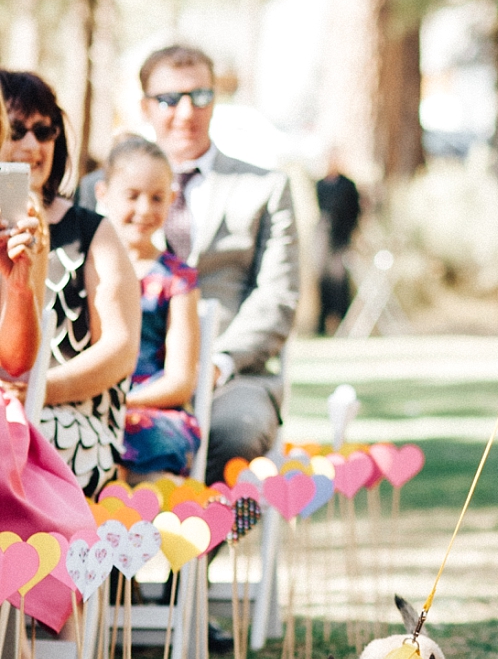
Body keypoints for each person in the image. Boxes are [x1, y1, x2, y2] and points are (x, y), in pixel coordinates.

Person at [138, 45, 299, 483]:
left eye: (201, 96)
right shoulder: (104, 188)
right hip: (133, 373)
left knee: (234, 436)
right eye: (169, 99)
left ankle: (191, 548)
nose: (186, 112)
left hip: (231, 376)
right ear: (145, 107)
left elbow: (278, 298)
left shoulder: (265, 188)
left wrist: (216, 364)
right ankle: (125, 550)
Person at [0, 71, 141, 498]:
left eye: (44, 131)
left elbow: (120, 349)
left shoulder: (92, 231)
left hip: (73, 421)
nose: (31, 146)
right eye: (16, 129)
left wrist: (37, 391)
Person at [0, 102, 93, 541]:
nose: (29, 145)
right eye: (16, 131)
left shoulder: (22, 222)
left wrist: (18, 283)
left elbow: (16, 363)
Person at [97, 135, 202, 478]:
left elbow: (180, 381)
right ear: (103, 194)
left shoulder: (177, 279)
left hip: (150, 407)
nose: (144, 210)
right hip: (88, 398)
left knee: (133, 437)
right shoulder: (88, 268)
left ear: (172, 199)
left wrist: (120, 404)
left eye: (157, 198)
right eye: (132, 196)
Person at [315, 153, 361, 335]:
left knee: (340, 280)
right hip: (323, 237)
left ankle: (342, 322)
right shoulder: (320, 184)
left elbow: (355, 212)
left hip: (341, 238)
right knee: (323, 281)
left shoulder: (348, 185)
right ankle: (322, 323)